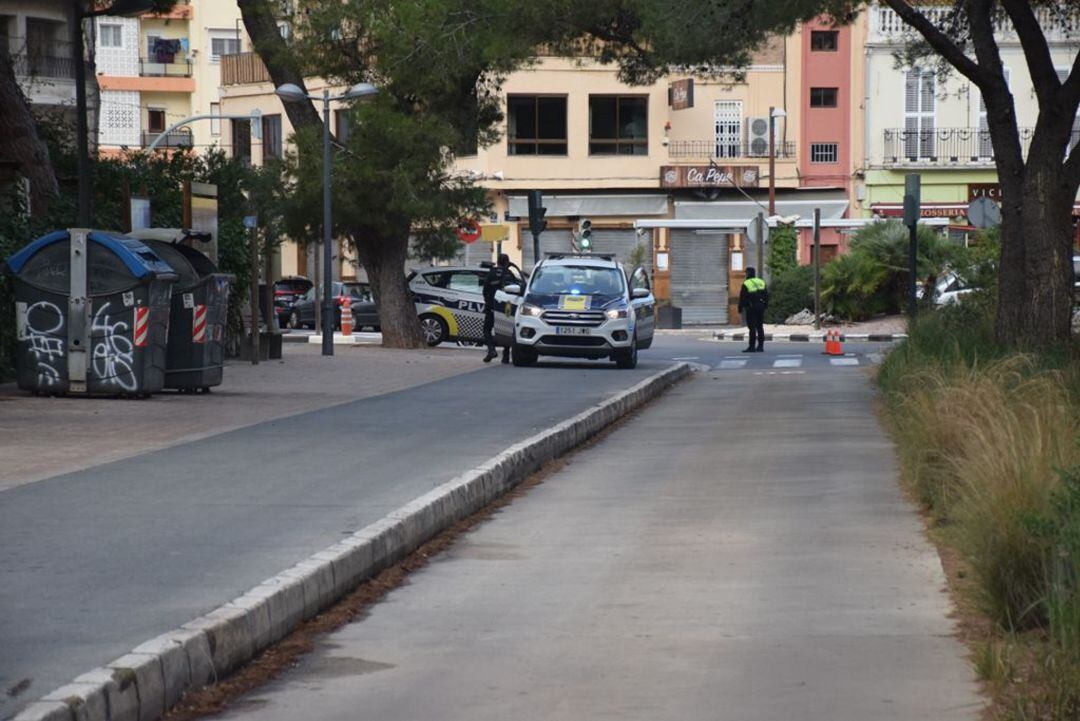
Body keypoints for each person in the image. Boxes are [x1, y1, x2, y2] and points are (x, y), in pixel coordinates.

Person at [482, 253, 513, 363]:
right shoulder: (509, 273)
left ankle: (491, 350)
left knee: (487, 329)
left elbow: (485, 290)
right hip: (507, 307)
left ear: (498, 261)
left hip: (492, 305)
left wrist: (487, 301)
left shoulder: (491, 273)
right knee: (506, 330)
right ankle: (505, 356)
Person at [738, 266, 768, 353]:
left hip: (751, 308)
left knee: (752, 327)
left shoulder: (746, 283)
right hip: (761, 307)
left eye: (746, 273)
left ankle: (752, 347)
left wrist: (740, 308)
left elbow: (742, 297)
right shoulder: (761, 281)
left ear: (748, 273)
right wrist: (766, 305)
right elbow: (766, 295)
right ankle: (761, 346)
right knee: (760, 326)